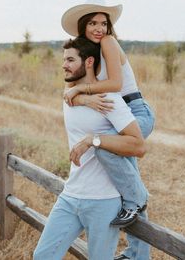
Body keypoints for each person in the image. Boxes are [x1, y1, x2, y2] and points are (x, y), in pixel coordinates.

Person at [33, 37, 147, 260]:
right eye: (63, 59)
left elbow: (139, 145)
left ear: (89, 62)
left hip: (103, 201)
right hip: (70, 195)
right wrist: (85, 99)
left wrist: (94, 139)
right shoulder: (71, 95)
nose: (64, 65)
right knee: (42, 256)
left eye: (70, 59)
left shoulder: (109, 99)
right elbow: (73, 94)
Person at [61, 0, 154, 259]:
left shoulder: (109, 43)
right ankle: (137, 253)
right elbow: (68, 93)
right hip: (113, 113)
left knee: (103, 146)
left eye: (104, 22)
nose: (100, 28)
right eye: (93, 23)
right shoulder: (86, 51)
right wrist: (83, 96)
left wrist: (83, 89)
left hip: (134, 110)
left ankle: (138, 202)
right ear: (83, 26)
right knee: (126, 172)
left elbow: (114, 84)